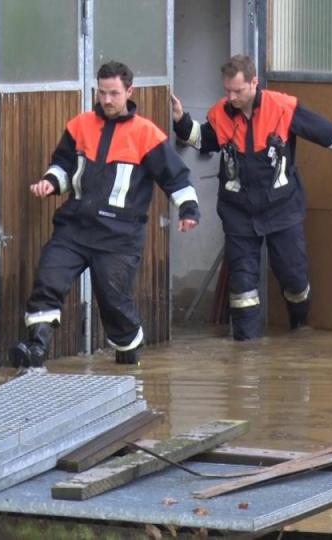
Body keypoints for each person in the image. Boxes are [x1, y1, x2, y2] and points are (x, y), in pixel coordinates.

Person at [171, 55, 332, 341]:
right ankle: (247, 358)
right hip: (238, 213)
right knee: (243, 289)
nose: (231, 97)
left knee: (295, 280)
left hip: (283, 209)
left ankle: (300, 328)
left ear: (254, 83)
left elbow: (324, 132)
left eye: (238, 91)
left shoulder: (282, 108)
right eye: (227, 91)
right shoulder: (220, 113)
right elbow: (204, 139)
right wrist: (181, 121)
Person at [11, 61, 200, 368]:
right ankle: (35, 351)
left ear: (129, 91)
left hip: (119, 238)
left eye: (114, 93)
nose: (107, 100)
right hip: (74, 228)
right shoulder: (79, 125)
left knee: (114, 304)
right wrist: (50, 182)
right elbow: (63, 165)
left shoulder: (147, 134)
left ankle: (128, 356)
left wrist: (189, 210)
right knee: (48, 280)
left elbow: (175, 178)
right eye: (102, 93)